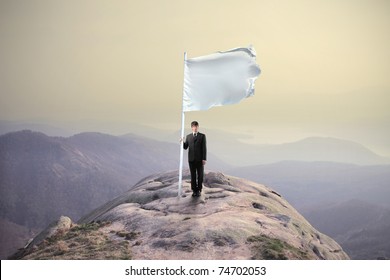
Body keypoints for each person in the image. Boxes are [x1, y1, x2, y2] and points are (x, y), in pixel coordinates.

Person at [183, 121, 207, 197]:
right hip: (191, 160)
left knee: (200, 175)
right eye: (194, 126)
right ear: (191, 127)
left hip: (200, 160)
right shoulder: (188, 136)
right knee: (193, 176)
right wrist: (182, 142)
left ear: (198, 127)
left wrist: (204, 158)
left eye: (196, 126)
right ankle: (194, 190)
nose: (195, 128)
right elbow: (185, 147)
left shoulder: (202, 136)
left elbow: (204, 148)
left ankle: (199, 189)